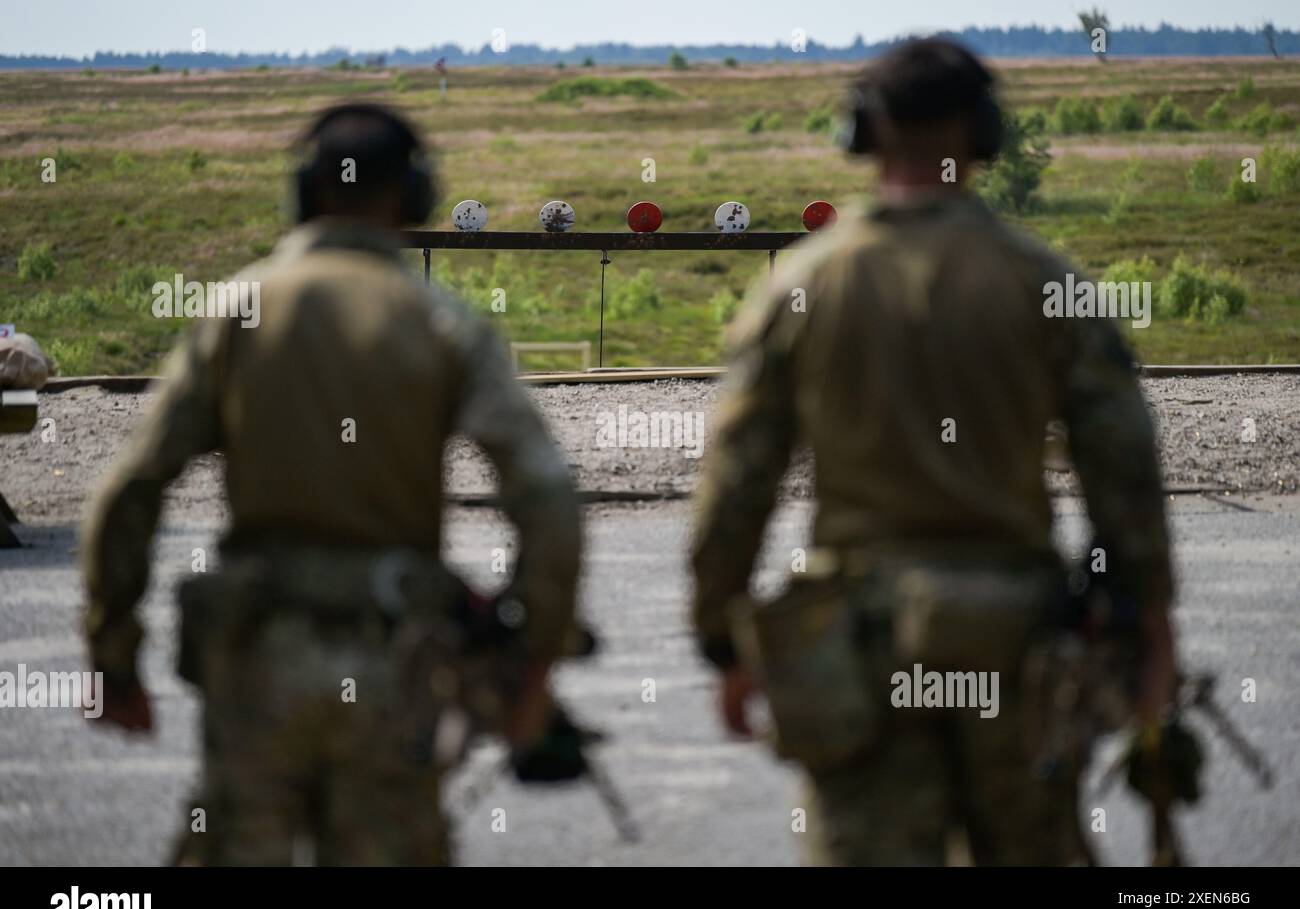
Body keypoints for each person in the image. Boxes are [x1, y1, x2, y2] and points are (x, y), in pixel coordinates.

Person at [689, 38, 1176, 865]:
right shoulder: (1044, 281)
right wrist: (1153, 631)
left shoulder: (803, 286)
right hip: (1020, 642)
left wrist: (723, 642)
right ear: (984, 134)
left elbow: (737, 483)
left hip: (857, 648)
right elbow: (1124, 472)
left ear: (862, 133)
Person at [82, 102, 582, 865]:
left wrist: (114, 655)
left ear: (302, 191)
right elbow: (546, 497)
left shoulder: (237, 311)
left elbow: (132, 487)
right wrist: (531, 663)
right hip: (397, 665)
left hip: (256, 659)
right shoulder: (443, 321)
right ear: (414, 195)